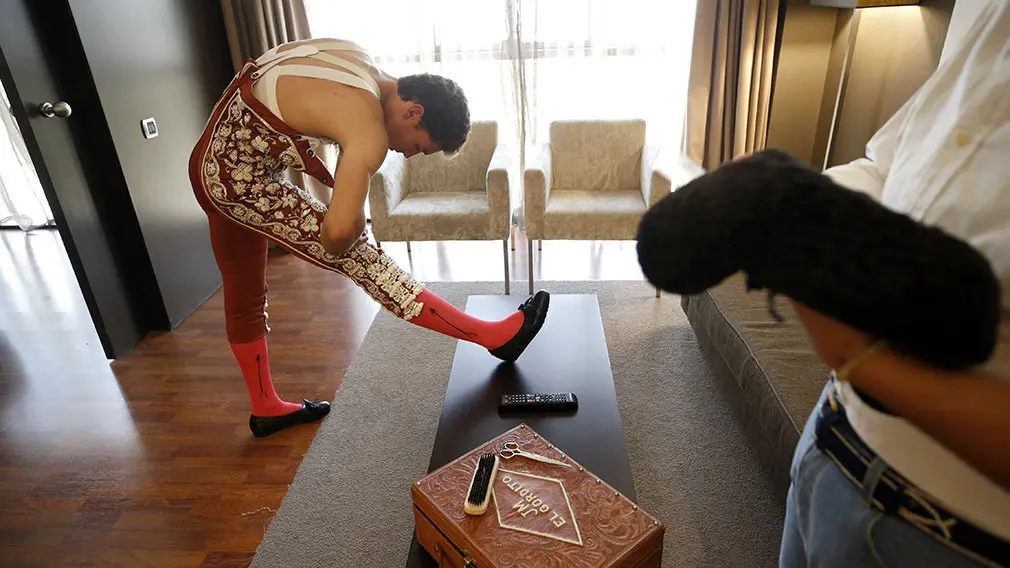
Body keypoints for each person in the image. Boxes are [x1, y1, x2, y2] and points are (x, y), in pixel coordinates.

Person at [188, 38, 549, 438]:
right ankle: (494, 336)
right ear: (414, 111)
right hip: (235, 182)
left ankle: (265, 407)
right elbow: (337, 238)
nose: (408, 155)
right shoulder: (367, 128)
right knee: (362, 258)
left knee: (245, 292)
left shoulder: (355, 56)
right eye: (418, 147)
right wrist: (356, 219)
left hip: (213, 158)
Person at [778, 3, 1009, 567]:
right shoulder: (990, 14)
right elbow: (886, 165)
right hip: (829, 440)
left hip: (947, 540)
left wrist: (858, 358)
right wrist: (789, 201)